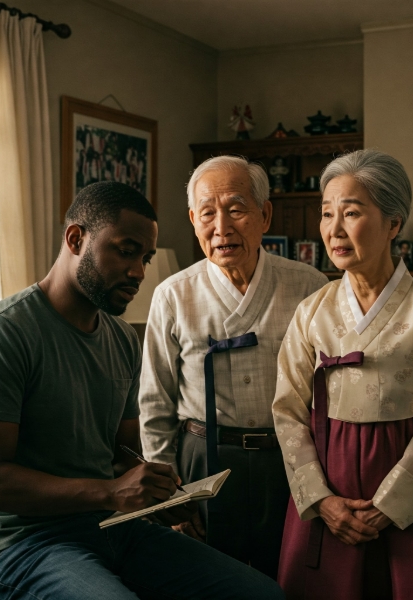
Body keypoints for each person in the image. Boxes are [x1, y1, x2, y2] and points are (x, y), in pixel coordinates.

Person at [0, 181, 283, 600]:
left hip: (112, 528)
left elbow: (120, 457)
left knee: (263, 595)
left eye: (146, 258)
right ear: (76, 239)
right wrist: (111, 492)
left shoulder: (122, 338)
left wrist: (158, 494)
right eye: (126, 251)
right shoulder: (1, 335)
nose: (139, 272)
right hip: (20, 546)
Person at [273, 149, 413, 599]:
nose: (333, 229)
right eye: (326, 214)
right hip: (330, 493)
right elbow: (287, 410)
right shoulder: (310, 313)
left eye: (351, 213)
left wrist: (390, 506)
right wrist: (321, 501)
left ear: (393, 224)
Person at [139, 156, 327, 579]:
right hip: (202, 459)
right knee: (207, 579)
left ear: (265, 214)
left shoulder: (309, 286)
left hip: (286, 457)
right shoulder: (173, 295)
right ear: (193, 219)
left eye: (236, 209)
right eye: (207, 212)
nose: (221, 226)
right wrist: (170, 497)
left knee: (286, 577)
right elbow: (154, 404)